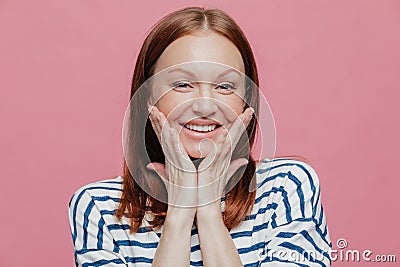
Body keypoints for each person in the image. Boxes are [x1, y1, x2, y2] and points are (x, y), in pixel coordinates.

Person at [68, 6, 332, 267]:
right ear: (147, 95)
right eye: (182, 84)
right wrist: (179, 214)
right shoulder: (99, 208)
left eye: (225, 86)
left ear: (246, 100)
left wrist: (207, 211)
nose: (205, 106)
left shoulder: (286, 188)